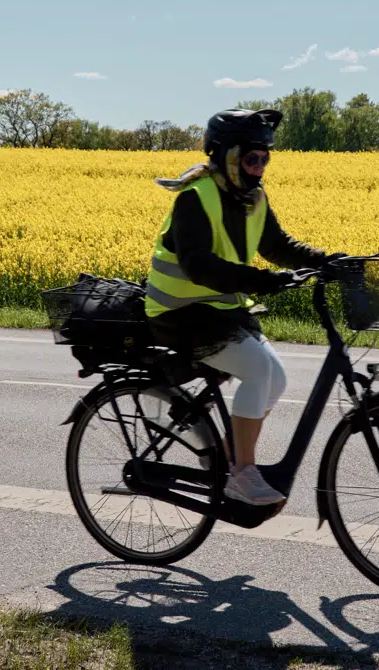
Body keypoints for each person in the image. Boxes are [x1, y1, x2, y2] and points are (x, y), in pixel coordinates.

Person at [145, 108, 343, 505]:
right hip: (180, 314)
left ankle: (227, 457)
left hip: (217, 312)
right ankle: (242, 474)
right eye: (251, 158)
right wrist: (262, 281)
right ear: (225, 156)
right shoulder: (195, 197)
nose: (259, 168)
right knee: (258, 371)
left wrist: (326, 261)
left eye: (265, 158)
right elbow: (198, 265)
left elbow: (277, 245)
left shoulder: (251, 198)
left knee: (277, 378)